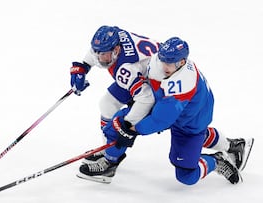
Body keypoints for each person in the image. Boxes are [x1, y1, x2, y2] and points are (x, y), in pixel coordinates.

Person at [77, 36, 254, 185]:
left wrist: (133, 130)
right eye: (162, 60)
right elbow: (143, 66)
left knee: (186, 175)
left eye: (169, 63)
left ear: (182, 62)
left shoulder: (183, 83)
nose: (163, 65)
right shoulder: (163, 60)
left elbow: (159, 120)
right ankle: (109, 161)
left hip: (191, 119)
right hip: (167, 106)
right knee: (119, 122)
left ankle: (217, 161)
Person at [70, 25, 160, 166]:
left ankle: (111, 159)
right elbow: (98, 51)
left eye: (103, 54)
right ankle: (107, 148)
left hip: (157, 88)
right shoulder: (114, 37)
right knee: (107, 104)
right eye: (97, 53)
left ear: (116, 50)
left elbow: (146, 98)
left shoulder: (126, 67)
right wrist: (83, 67)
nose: (99, 59)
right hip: (139, 76)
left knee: (179, 125)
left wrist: (127, 125)